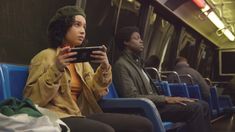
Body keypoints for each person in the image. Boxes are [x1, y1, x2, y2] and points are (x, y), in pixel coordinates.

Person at [23, 6, 153, 132]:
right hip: (57, 116)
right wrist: (57, 68)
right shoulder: (44, 57)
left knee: (143, 124)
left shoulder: (81, 62)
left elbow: (96, 93)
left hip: (81, 113)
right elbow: (31, 99)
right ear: (62, 27)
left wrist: (104, 67)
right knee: (105, 130)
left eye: (84, 26)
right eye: (77, 25)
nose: (82, 31)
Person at [112, 26, 211, 132]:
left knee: (203, 105)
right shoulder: (121, 65)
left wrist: (168, 99)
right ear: (125, 42)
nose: (141, 41)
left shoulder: (138, 64)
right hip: (145, 109)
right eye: (136, 38)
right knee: (195, 108)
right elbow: (130, 96)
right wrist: (165, 99)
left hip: (154, 104)